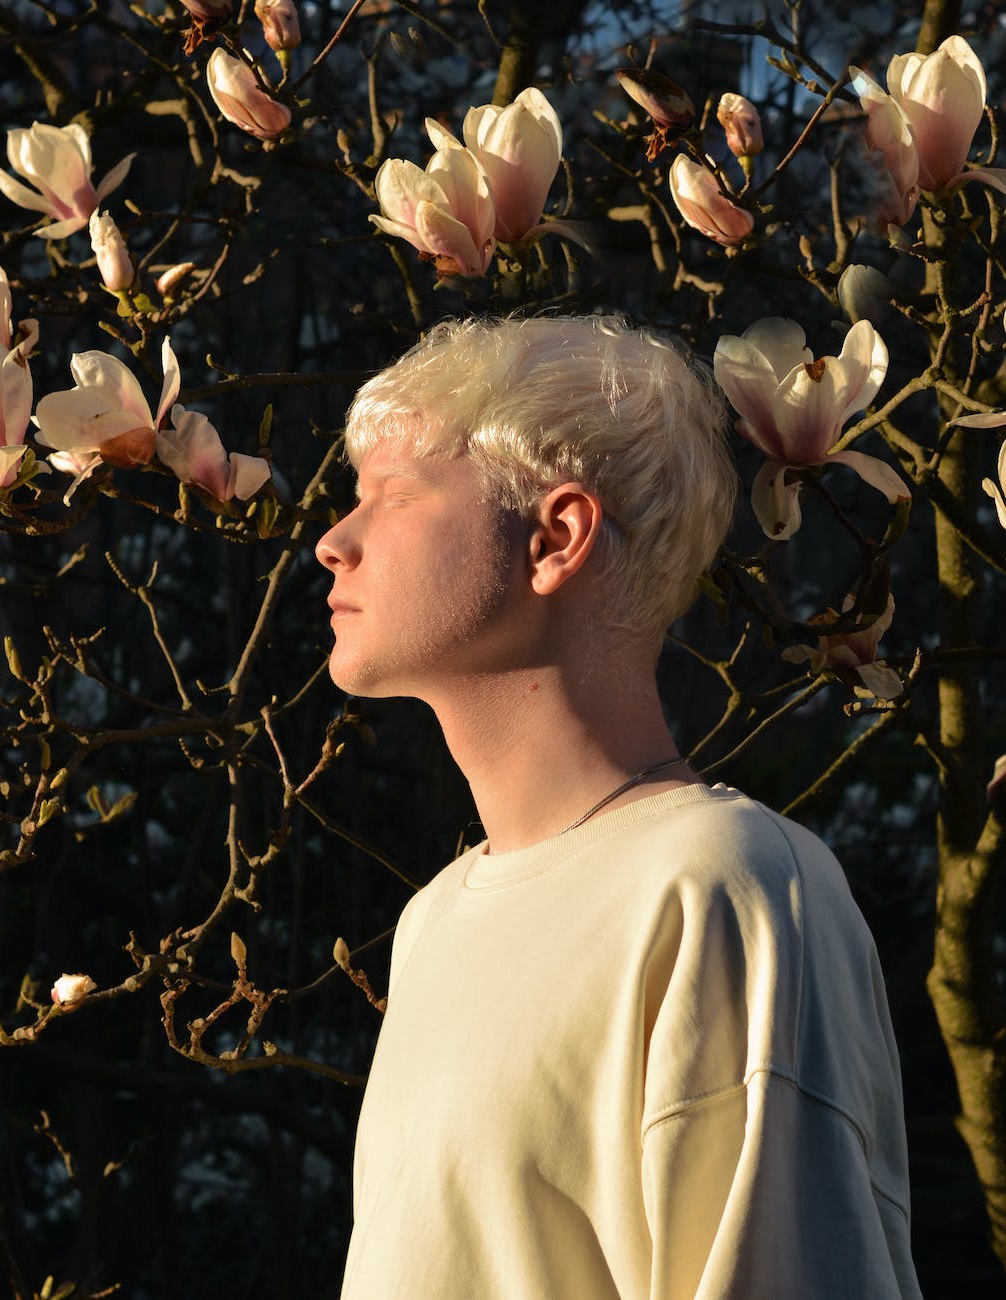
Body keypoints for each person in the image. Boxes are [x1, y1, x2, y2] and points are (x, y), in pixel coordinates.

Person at [315, 315, 921, 1299]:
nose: (332, 540)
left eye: (393, 494)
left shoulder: (721, 886)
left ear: (555, 536)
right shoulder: (431, 922)